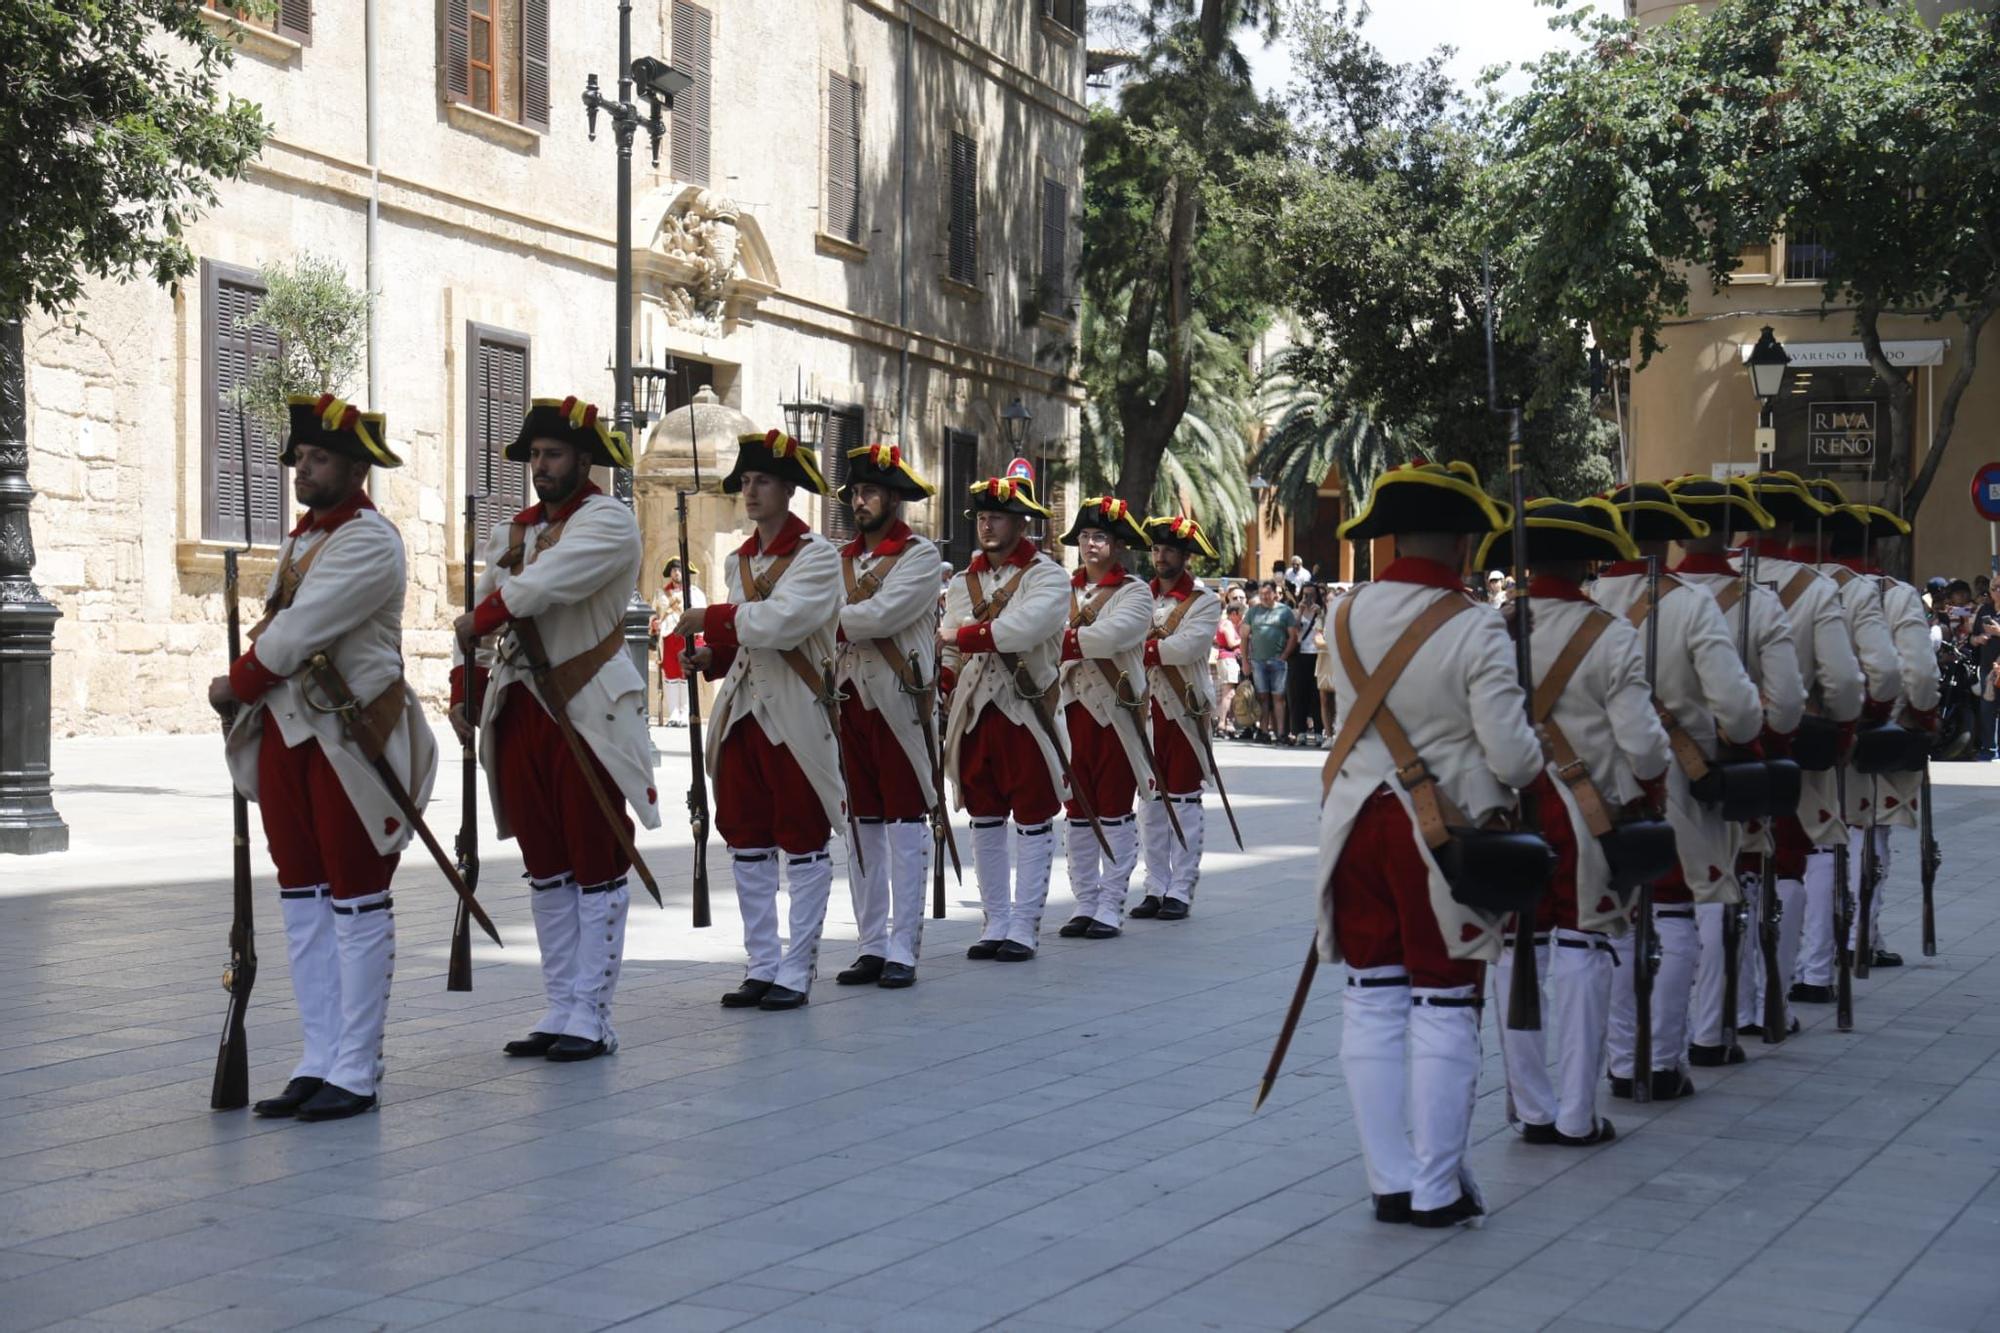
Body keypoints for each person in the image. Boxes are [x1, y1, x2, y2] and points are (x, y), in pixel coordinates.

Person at [1317, 461, 1544, 1228]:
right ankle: (1438, 1187)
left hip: (1354, 827)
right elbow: (1513, 759)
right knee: (1444, 1002)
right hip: (1443, 836)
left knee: (1372, 1000)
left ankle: (1390, 1180)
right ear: (1459, 540)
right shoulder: (1476, 622)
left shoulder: (1344, 614)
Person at [212, 395, 434, 1120]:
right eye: (300, 459)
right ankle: (318, 1057)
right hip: (286, 735)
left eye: (318, 459)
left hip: (346, 739)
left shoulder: (370, 540)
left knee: (356, 894)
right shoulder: (303, 539)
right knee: (303, 898)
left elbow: (302, 628)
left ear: (353, 466)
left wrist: (240, 678)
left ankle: (357, 1068)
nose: (304, 470)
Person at [455, 395, 655, 1063]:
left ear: (583, 459)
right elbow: (484, 619)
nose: (541, 465)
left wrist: (484, 616)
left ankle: (593, 1014)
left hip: (585, 707)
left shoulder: (610, 522)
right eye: (535, 455)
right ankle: (560, 1002)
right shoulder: (515, 531)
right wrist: (467, 687)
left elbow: (541, 588)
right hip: (521, 707)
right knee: (545, 865)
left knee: (595, 857)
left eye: (553, 454)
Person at [1478, 498, 1672, 1141]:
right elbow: (1643, 745)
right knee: (1586, 951)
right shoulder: (1610, 633)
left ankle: (1531, 1107)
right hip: (1589, 816)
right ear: (1588, 562)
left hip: (1512, 810)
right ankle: (1576, 1112)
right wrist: (1650, 788)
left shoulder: (1493, 628)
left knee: (1514, 955)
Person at [1592, 484, 1763, 1083]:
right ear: (1670, 536)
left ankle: (1617, 1061)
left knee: (1605, 922)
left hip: (1586, 790)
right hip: (1676, 779)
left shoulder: (1585, 598)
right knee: (1678, 910)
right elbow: (1740, 712)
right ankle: (1664, 1060)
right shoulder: (1690, 604)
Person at [676, 430, 845, 1011]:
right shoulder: (738, 560)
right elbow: (744, 642)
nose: (749, 491)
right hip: (743, 715)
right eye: (745, 481)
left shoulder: (819, 557)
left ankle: (796, 970)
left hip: (796, 714)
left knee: (801, 841)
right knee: (745, 841)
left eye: (762, 480)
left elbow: (784, 623)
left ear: (788, 489)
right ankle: (761, 964)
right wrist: (710, 655)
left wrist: (711, 617)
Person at [1666, 477, 1806, 1044]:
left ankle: (1638, 1052)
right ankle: (1714, 1027)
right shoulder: (1756, 599)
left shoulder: (1623, 597)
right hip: (1716, 764)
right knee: (1717, 888)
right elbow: (1785, 705)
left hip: (1621, 776)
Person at [1748, 474, 1868, 1014]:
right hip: (1793, 742)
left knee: (1717, 879)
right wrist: (1843, 730)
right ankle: (1780, 988)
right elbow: (1844, 683)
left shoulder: (1708, 583)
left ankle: (1727, 1010)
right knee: (1796, 856)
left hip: (1701, 751)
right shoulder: (1817, 589)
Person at [939, 476, 1071, 961]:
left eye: (998, 516)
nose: (988, 524)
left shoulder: (1047, 576)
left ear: (1020, 522)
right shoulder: (961, 583)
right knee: (985, 816)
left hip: (1026, 710)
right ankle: (995, 920)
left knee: (1034, 817)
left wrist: (958, 640)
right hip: (975, 714)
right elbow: (948, 651)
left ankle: (1024, 925)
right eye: (981, 517)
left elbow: (1023, 629)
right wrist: (942, 682)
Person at [831, 445, 942, 989]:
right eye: (855, 492)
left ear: (894, 499)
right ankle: (871, 944)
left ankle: (904, 946)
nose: (860, 501)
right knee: (861, 828)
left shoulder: (920, 558)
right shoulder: (840, 560)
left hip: (899, 701)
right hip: (846, 703)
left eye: (870, 492)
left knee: (903, 825)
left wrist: (820, 618)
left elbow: (882, 615)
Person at [1828, 504, 1940, 966]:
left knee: (1819, 841)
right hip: (1878, 731)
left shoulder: (1807, 587)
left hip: (1814, 733)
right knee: (1869, 834)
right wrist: (1923, 717)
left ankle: (1821, 941)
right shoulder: (1894, 594)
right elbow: (1918, 675)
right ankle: (1861, 936)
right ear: (1876, 548)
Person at [1052, 497, 1157, 940]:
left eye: (1099, 537)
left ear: (1116, 545)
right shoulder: (1060, 589)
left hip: (1114, 713)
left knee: (1114, 810)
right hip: (1067, 710)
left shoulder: (1134, 591)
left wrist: (1063, 640)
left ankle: (1111, 903)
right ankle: (1085, 900)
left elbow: (1115, 636)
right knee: (1077, 812)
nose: (1090, 544)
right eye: (1084, 537)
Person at [1132, 514, 1225, 922]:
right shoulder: (1137, 596)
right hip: (1141, 707)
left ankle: (1181, 889)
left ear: (1186, 556)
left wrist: (1138, 648)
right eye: (1155, 548)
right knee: (1150, 801)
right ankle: (1155, 886)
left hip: (1184, 708)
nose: (1160, 555)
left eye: (1169, 549)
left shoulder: (1204, 601)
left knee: (1184, 799)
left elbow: (1187, 648)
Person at [1243, 581, 1299, 743]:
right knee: (1262, 697)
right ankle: (1263, 731)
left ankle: (1281, 733)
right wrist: (1246, 661)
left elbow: (1293, 636)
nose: (1264, 597)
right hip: (1258, 662)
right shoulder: (1253, 612)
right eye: (1262, 594)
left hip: (1278, 661)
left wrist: (1284, 655)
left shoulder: (1285, 611)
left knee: (1279, 697)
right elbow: (1245, 637)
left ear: (1275, 593)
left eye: (1267, 594)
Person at [652, 557, 704, 726]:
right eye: (674, 569)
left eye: (680, 569)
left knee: (685, 673)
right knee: (671, 674)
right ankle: (674, 713)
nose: (676, 572)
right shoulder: (661, 593)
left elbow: (702, 616)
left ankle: (686, 713)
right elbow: (654, 613)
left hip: (687, 636)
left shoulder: (695, 593)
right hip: (668, 636)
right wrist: (654, 623)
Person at [1288, 584, 1326, 744]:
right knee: (1299, 694)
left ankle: (1319, 730)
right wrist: (1301, 612)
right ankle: (1299, 731)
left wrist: (1320, 615)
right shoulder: (1296, 612)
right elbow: (1293, 631)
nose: (1308, 598)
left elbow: (1326, 630)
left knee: (1317, 695)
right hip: (1301, 656)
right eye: (1305, 595)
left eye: (1311, 595)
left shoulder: (1322, 612)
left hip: (1318, 655)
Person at [1972, 579, 2000, 760]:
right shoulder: (1985, 610)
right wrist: (1978, 639)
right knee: (1987, 708)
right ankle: (1989, 747)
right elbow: (1971, 638)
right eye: (1994, 588)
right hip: (1987, 667)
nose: (1997, 591)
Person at [1214, 607, 1244, 739]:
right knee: (1228, 693)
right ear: (1234, 614)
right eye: (1240, 615)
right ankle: (1221, 723)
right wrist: (1244, 638)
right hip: (1228, 659)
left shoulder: (1225, 623)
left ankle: (1225, 723)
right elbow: (1231, 643)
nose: (1241, 618)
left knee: (1228, 693)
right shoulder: (1227, 624)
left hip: (1227, 659)